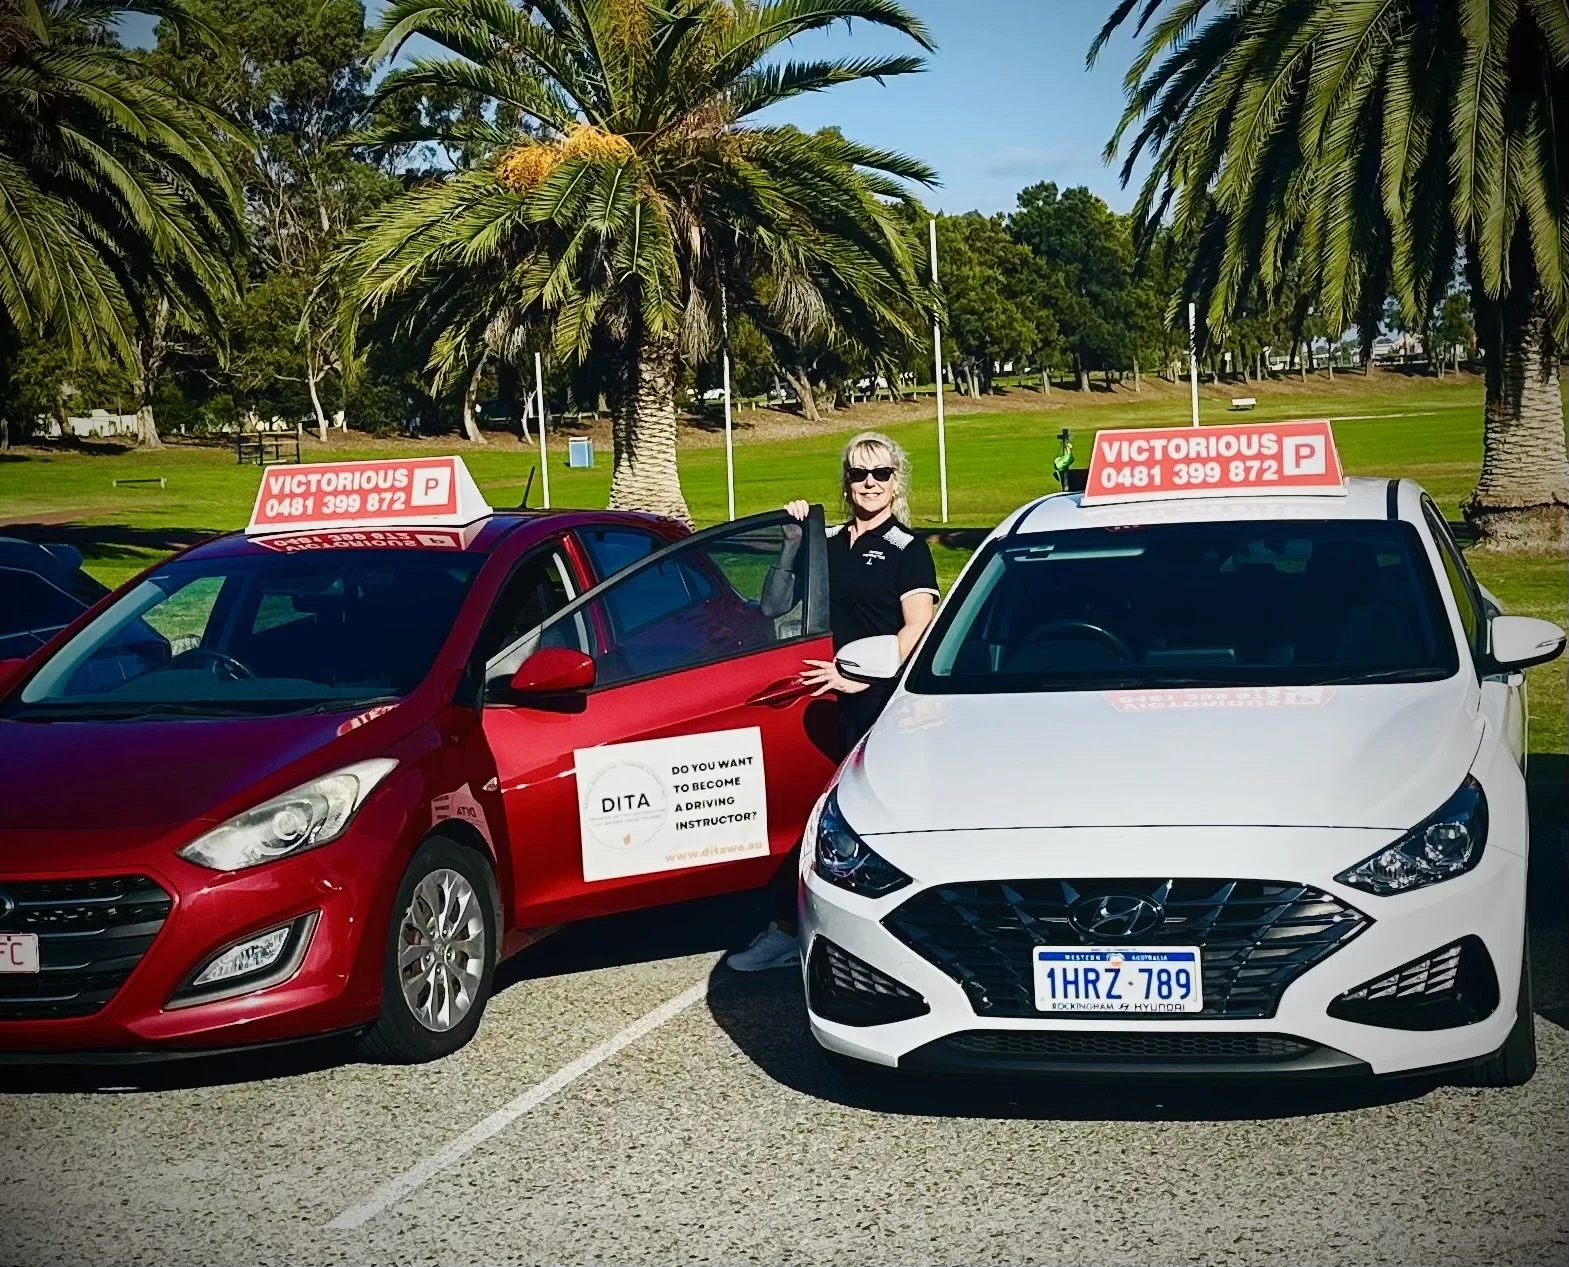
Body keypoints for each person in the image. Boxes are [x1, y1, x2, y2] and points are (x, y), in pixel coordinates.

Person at [726, 432, 938, 971]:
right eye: (859, 474)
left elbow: (918, 628)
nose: (869, 484)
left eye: (880, 474)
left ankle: (877, 939)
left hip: (879, 704)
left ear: (896, 482)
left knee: (863, 819)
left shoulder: (907, 550)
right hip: (815, 701)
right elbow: (772, 606)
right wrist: (793, 541)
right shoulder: (825, 543)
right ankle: (785, 929)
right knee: (805, 813)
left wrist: (863, 680)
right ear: (845, 483)